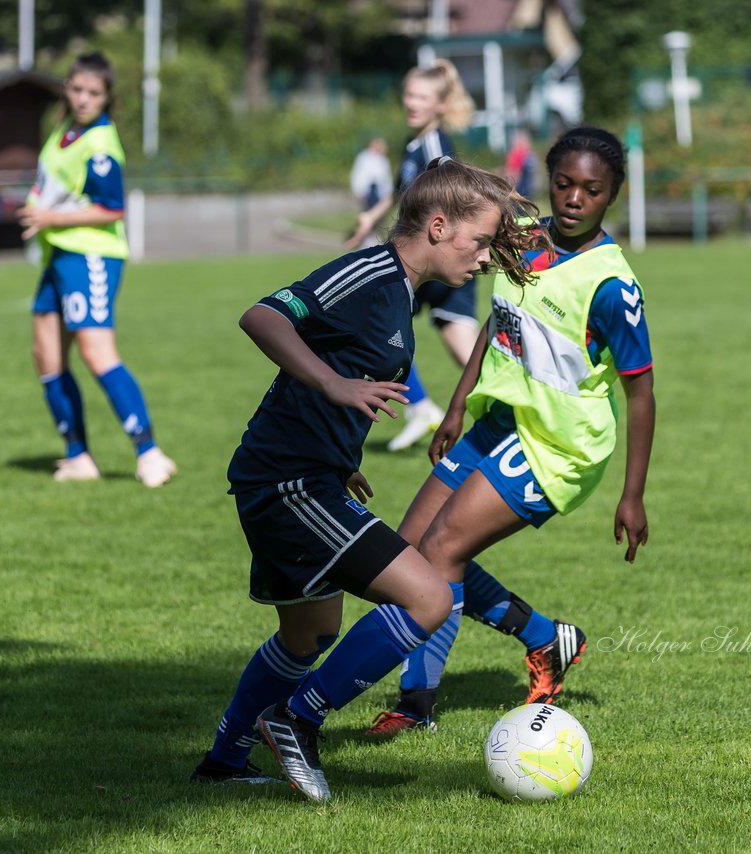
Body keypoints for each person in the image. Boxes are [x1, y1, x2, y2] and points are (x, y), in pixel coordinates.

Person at [191, 158, 543, 802]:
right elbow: (263, 316)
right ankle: (296, 719)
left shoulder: (400, 291)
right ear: (438, 226)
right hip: (287, 483)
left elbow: (341, 357)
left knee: (309, 635)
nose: (487, 258)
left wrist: (340, 455)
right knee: (429, 598)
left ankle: (224, 760)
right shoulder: (367, 271)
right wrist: (331, 385)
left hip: (305, 475)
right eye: (481, 242)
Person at [362, 126, 657, 737]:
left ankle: (415, 707)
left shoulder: (611, 284)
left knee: (442, 550)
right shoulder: (521, 240)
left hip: (558, 446)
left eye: (592, 190)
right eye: (565, 184)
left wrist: (633, 494)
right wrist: (455, 407)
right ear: (548, 181)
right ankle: (546, 637)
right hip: (499, 423)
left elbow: (641, 393)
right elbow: (500, 328)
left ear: (613, 196)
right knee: (410, 554)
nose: (575, 198)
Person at [20, 51, 177, 487]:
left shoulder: (102, 143)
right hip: (58, 255)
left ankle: (149, 453)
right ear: (65, 90)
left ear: (107, 97)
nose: (84, 98)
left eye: (93, 92)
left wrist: (50, 219)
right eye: (77, 89)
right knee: (46, 356)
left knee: (95, 351)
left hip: (91, 255)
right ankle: (78, 456)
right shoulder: (64, 132)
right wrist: (36, 210)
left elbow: (112, 208)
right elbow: (50, 186)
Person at [346, 59, 480, 453]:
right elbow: (402, 190)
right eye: (409, 94)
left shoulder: (436, 145)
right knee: (459, 349)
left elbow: (458, 194)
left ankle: (427, 407)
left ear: (440, 105)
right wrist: (370, 217)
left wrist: (464, 245)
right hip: (427, 260)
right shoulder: (414, 143)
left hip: (438, 261)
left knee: (378, 324)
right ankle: (429, 407)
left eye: (422, 97)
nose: (412, 102)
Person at [348, 136, 394, 249]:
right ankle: (362, 241)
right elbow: (358, 176)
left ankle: (372, 241)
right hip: (368, 193)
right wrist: (359, 192)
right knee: (368, 218)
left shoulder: (383, 160)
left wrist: (388, 196)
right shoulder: (364, 158)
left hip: (380, 195)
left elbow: (386, 180)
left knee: (377, 221)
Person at [502, 127, 538, 201]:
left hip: (519, 191)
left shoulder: (517, 154)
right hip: (528, 192)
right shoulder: (530, 155)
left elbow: (512, 173)